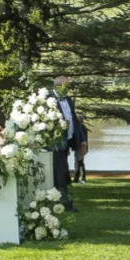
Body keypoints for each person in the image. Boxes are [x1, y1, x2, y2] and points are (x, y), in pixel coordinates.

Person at [51, 77, 77, 206]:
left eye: (68, 87)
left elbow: (73, 120)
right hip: (54, 143)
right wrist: (60, 125)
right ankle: (64, 201)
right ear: (57, 86)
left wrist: (80, 140)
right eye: (66, 87)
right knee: (60, 173)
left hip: (67, 140)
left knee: (63, 172)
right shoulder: (48, 100)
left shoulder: (68, 100)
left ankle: (63, 200)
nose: (68, 90)